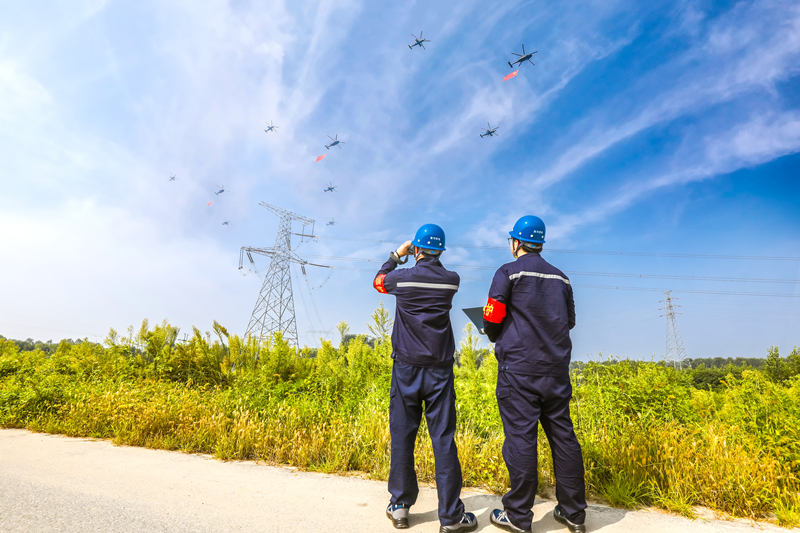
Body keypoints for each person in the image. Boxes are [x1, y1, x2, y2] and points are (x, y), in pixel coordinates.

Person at [483, 215, 588, 533]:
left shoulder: (508, 272)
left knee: (521, 438)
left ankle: (517, 516)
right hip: (556, 372)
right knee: (564, 438)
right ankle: (574, 513)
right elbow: (569, 321)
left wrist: (499, 332)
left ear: (516, 242)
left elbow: (492, 317)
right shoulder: (562, 278)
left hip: (519, 371)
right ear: (539, 243)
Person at [374, 224, 478, 533]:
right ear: (441, 251)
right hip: (439, 371)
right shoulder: (452, 281)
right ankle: (451, 517)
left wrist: (396, 256)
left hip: (405, 367)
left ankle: (400, 507)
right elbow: (438, 272)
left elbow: (379, 282)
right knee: (443, 439)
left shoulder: (400, 278)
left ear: (417, 249)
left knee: (403, 435)